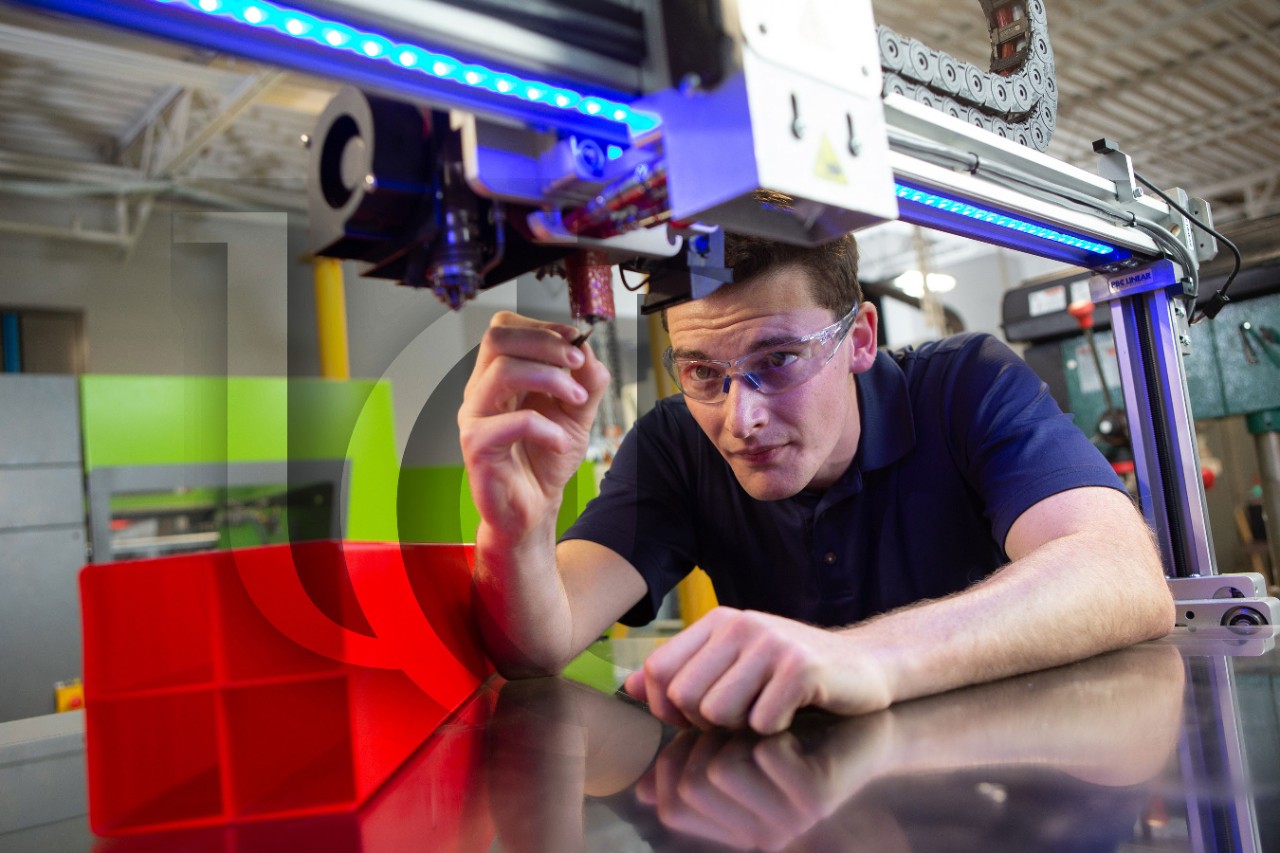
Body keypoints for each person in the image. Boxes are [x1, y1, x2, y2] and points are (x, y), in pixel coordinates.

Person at [458, 231, 1174, 736]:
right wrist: (519, 526)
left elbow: (1122, 574)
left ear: (860, 338)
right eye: (703, 371)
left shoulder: (966, 387)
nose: (742, 417)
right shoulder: (677, 443)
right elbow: (537, 646)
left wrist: (864, 655)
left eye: (778, 359)